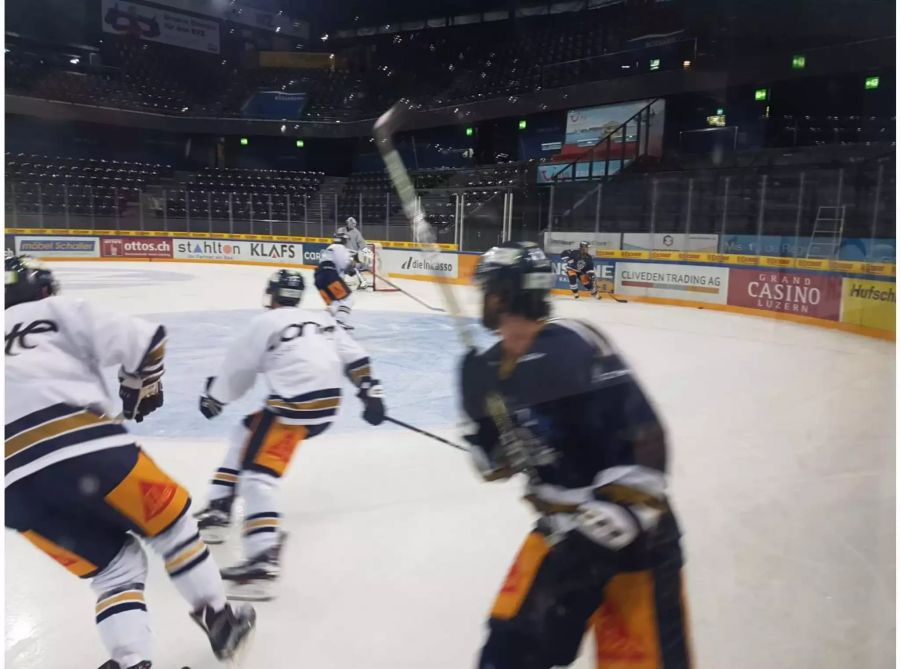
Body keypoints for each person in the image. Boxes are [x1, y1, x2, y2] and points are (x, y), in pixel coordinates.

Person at [4, 255, 255, 669]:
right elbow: (147, 339)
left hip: (14, 493)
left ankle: (129, 660)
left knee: (114, 571)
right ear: (42, 290)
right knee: (173, 531)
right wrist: (139, 385)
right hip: (89, 453)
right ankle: (221, 621)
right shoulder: (58, 310)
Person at [460, 241, 691, 669]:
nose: (484, 301)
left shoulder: (573, 348)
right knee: (506, 652)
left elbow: (643, 438)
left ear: (505, 295)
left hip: (635, 539)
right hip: (559, 533)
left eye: (489, 292)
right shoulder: (490, 369)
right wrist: (487, 443)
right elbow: (497, 459)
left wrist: (614, 517)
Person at [193, 268, 386, 600]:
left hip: (295, 405)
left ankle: (261, 558)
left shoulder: (264, 323)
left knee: (258, 477)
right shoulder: (320, 320)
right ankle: (220, 506)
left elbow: (237, 373)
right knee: (247, 431)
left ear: (272, 295)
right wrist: (371, 391)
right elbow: (354, 356)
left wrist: (214, 398)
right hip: (325, 406)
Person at [314, 231, 357, 329]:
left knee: (335, 303)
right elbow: (345, 266)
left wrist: (350, 269)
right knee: (348, 298)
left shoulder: (329, 248)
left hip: (318, 278)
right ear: (344, 240)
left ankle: (322, 322)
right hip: (330, 276)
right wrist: (352, 266)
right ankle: (340, 321)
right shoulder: (341, 248)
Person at [344, 217, 370, 290]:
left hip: (352, 254)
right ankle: (341, 281)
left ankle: (363, 281)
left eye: (354, 223)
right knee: (339, 266)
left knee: (353, 266)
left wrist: (366, 251)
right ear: (347, 223)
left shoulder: (357, 233)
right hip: (342, 253)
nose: (353, 225)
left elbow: (362, 244)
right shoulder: (341, 230)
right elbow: (336, 238)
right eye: (351, 223)